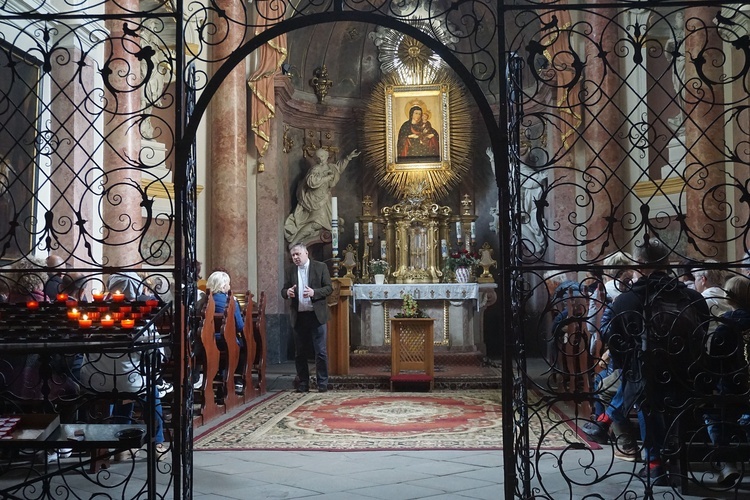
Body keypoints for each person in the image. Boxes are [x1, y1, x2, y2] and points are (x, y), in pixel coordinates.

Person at [600, 237, 708, 484]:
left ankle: (654, 463)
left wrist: (627, 367)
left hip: (644, 375)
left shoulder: (626, 300)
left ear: (639, 264)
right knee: (677, 411)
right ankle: (679, 463)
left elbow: (615, 342)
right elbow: (702, 336)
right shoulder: (692, 298)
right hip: (686, 374)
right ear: (667, 262)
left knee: (647, 404)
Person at [281, 243, 333, 392]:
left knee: (320, 351)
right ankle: (303, 383)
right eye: (293, 255)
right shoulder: (290, 270)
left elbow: (329, 288)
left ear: (306, 253)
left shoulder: (320, 267)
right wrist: (287, 292)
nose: (296, 257)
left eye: (298, 254)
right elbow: (284, 289)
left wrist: (314, 293)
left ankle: (322, 383)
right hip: (299, 316)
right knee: (300, 352)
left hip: (316, 315)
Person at [284, 148, 360, 245]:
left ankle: (297, 244)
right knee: (316, 223)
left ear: (327, 156)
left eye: (322, 156)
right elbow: (311, 182)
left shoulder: (331, 167)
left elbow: (339, 168)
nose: (321, 159)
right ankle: (294, 243)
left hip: (325, 199)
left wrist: (348, 158)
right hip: (314, 200)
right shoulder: (315, 169)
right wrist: (326, 178)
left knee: (325, 223)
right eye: (318, 158)